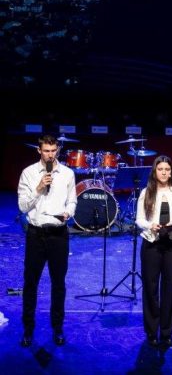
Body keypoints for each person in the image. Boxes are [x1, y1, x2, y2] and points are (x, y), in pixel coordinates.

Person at [17, 134, 77, 347]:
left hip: (58, 235)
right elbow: (22, 206)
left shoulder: (68, 173)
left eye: (53, 151)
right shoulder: (29, 173)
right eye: (46, 151)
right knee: (30, 283)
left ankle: (57, 328)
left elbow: (72, 201)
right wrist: (39, 188)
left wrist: (68, 212)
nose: (50, 155)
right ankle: (28, 329)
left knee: (58, 284)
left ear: (57, 150)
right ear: (39, 150)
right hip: (36, 235)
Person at [135, 155, 172, 347]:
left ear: (171, 171)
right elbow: (139, 219)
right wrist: (150, 225)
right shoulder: (146, 192)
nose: (164, 173)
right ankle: (151, 331)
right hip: (152, 244)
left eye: (167, 169)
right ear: (155, 171)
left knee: (169, 288)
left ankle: (166, 332)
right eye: (160, 169)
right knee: (150, 288)